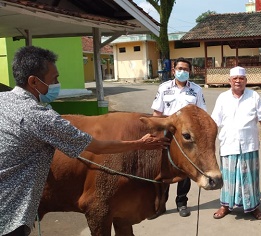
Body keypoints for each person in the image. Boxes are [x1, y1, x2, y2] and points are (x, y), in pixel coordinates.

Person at [0, 46, 167, 236]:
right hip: (10, 212)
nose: (57, 83)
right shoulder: (40, 117)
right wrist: (139, 144)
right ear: (33, 81)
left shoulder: (2, 99)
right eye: (54, 79)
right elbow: (96, 146)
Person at [211, 66, 261, 220]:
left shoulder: (254, 96)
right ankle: (225, 206)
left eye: (241, 78)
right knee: (228, 177)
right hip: (228, 144)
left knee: (250, 177)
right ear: (229, 81)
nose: (238, 81)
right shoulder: (222, 98)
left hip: (248, 144)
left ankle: (254, 206)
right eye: (235, 78)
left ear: (246, 80)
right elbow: (214, 122)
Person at [151, 57, 207, 217]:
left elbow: (201, 114)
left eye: (186, 69)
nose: (183, 72)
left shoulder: (196, 90)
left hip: (186, 136)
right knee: (164, 168)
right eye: (180, 69)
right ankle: (161, 204)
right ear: (173, 70)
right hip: (167, 133)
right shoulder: (163, 88)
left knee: (185, 168)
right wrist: (155, 134)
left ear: (190, 71)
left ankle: (182, 203)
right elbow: (156, 113)